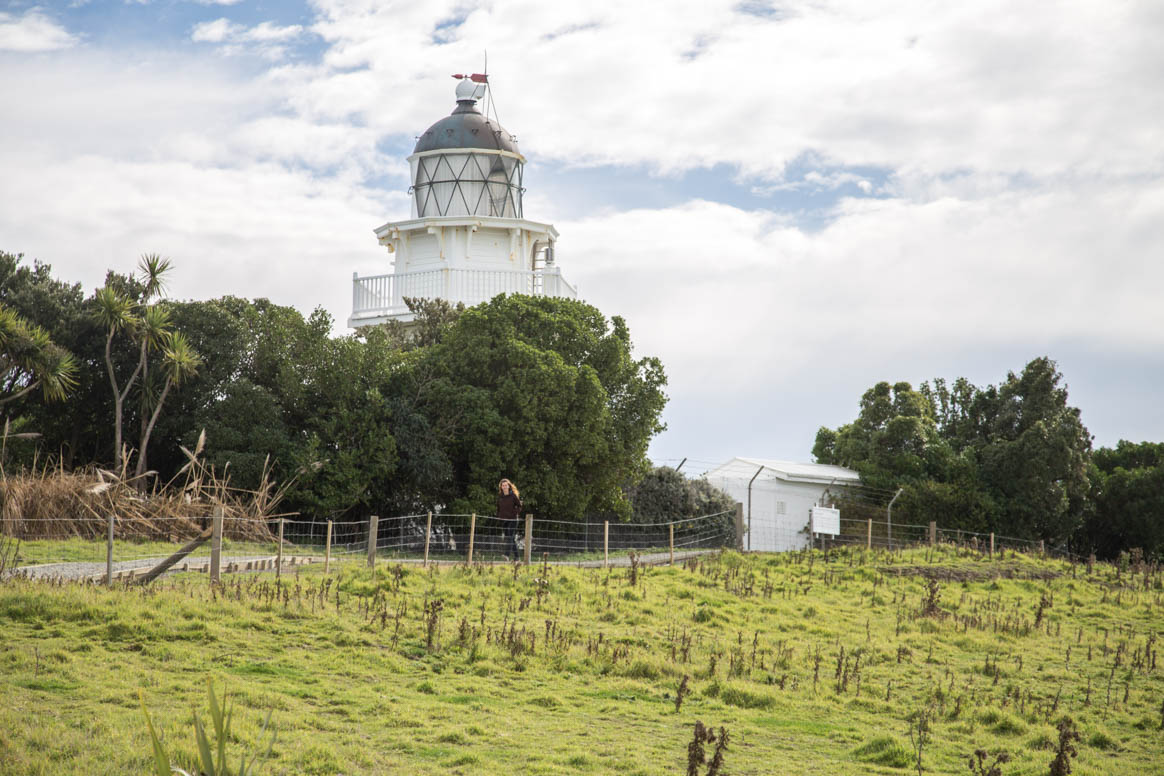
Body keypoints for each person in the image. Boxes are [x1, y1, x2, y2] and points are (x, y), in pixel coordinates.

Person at [496, 478, 522, 559]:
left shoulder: (513, 496)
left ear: (509, 486)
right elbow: (498, 508)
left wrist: (514, 513)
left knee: (510, 536)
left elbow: (519, 506)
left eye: (506, 485)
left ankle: (507, 555)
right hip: (504, 520)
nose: (504, 487)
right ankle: (517, 556)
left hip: (513, 519)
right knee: (510, 538)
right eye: (503, 485)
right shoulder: (500, 497)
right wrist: (499, 516)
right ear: (501, 487)